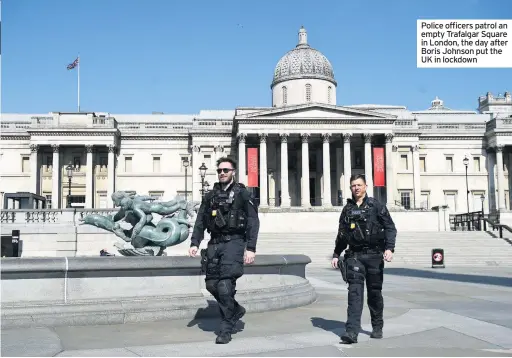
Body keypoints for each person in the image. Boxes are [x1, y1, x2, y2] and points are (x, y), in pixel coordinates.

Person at [188, 156, 260, 344]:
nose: (222, 173)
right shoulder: (210, 196)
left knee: (225, 286)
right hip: (214, 243)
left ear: (233, 172)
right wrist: (195, 242)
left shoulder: (242, 194)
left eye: (225, 170)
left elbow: (253, 221)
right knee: (211, 284)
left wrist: (250, 248)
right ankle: (235, 309)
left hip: (234, 243)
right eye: (219, 170)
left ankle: (226, 328)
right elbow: (201, 220)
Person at [331, 174, 397, 344]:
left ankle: (377, 326)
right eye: (353, 185)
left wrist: (389, 248)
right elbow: (342, 234)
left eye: (359, 185)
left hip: (375, 255)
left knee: (374, 293)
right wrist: (337, 254)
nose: (356, 188)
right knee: (354, 294)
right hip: (355, 256)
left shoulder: (376, 205)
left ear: (366, 186)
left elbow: (390, 227)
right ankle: (351, 332)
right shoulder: (347, 209)